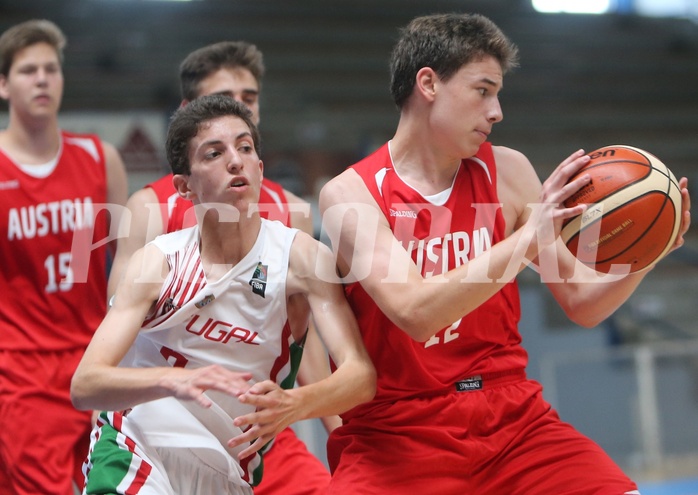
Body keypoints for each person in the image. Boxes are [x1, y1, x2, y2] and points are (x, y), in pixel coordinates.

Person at [318, 13, 691, 495]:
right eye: (482, 90)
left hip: (513, 421)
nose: (497, 111)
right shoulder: (351, 193)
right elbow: (414, 312)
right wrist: (526, 240)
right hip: (399, 434)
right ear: (428, 84)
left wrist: (647, 252)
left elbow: (581, 301)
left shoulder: (509, 171)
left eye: (498, 95)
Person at [70, 95, 376, 495]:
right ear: (185, 187)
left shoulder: (300, 258)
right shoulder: (158, 262)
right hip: (138, 446)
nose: (236, 161)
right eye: (215, 153)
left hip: (229, 469)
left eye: (245, 148)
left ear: (261, 169)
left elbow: (361, 377)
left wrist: (297, 404)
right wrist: (175, 380)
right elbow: (85, 385)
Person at [107, 41, 338, 493]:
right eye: (227, 98)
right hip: (170, 423)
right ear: (191, 111)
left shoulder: (292, 212)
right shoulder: (151, 207)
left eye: (249, 98)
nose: (241, 108)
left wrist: (336, 428)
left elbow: (301, 339)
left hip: (259, 430)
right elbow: (118, 341)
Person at [0, 19, 128, 495]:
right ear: (3, 84)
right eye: (28, 70)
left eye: (51, 69)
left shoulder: (99, 158)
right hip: (20, 370)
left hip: (95, 362)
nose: (41, 79)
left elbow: (130, 263)